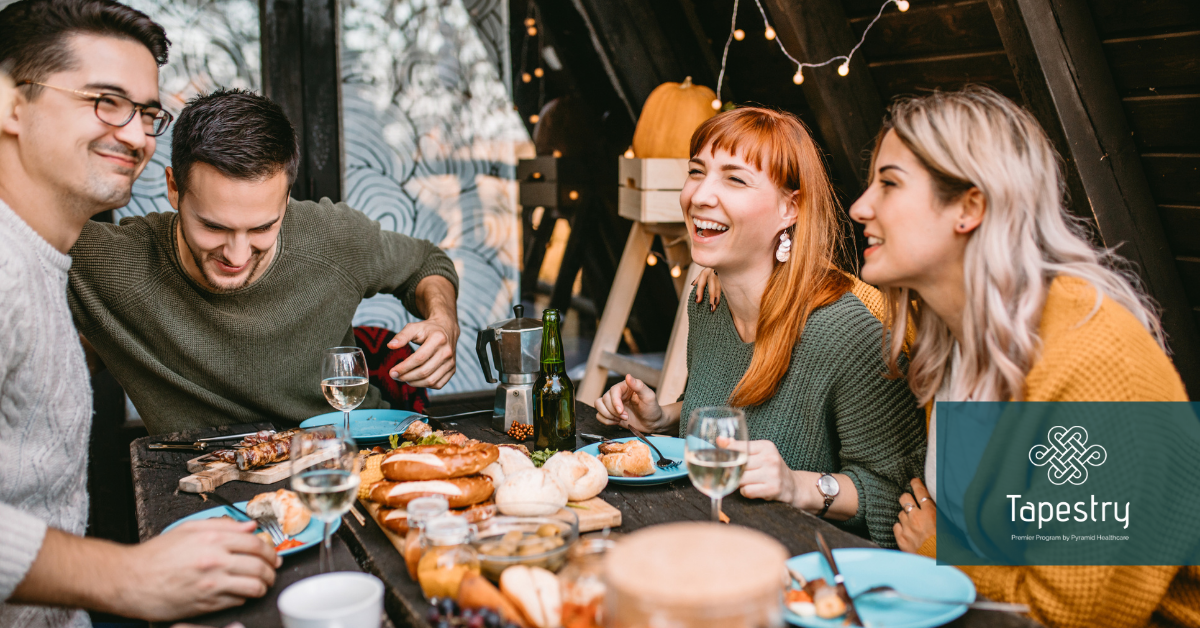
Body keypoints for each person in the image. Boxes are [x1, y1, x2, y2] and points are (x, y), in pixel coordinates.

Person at [850, 86, 1196, 627]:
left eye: (889, 184)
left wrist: (941, 553)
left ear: (969, 206)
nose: (860, 207)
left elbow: (1071, 614)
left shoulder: (1095, 358)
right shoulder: (951, 339)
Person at [0, 1, 278, 625]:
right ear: (10, 104)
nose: (136, 134)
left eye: (148, 112)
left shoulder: (42, 260)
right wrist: (127, 575)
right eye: (105, 100)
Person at [595, 107, 926, 547]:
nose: (700, 195)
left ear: (790, 208)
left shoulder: (848, 335)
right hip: (714, 544)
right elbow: (731, 419)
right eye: (697, 171)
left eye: (735, 178)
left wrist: (797, 486)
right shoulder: (706, 306)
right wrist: (661, 418)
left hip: (814, 572)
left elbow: (897, 496)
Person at [67, 87, 461, 435]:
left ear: (286, 200)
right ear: (174, 189)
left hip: (356, 459)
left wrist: (443, 320)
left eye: (261, 228)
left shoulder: (331, 236)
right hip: (212, 489)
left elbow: (426, 263)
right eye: (213, 227)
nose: (236, 255)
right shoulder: (108, 261)